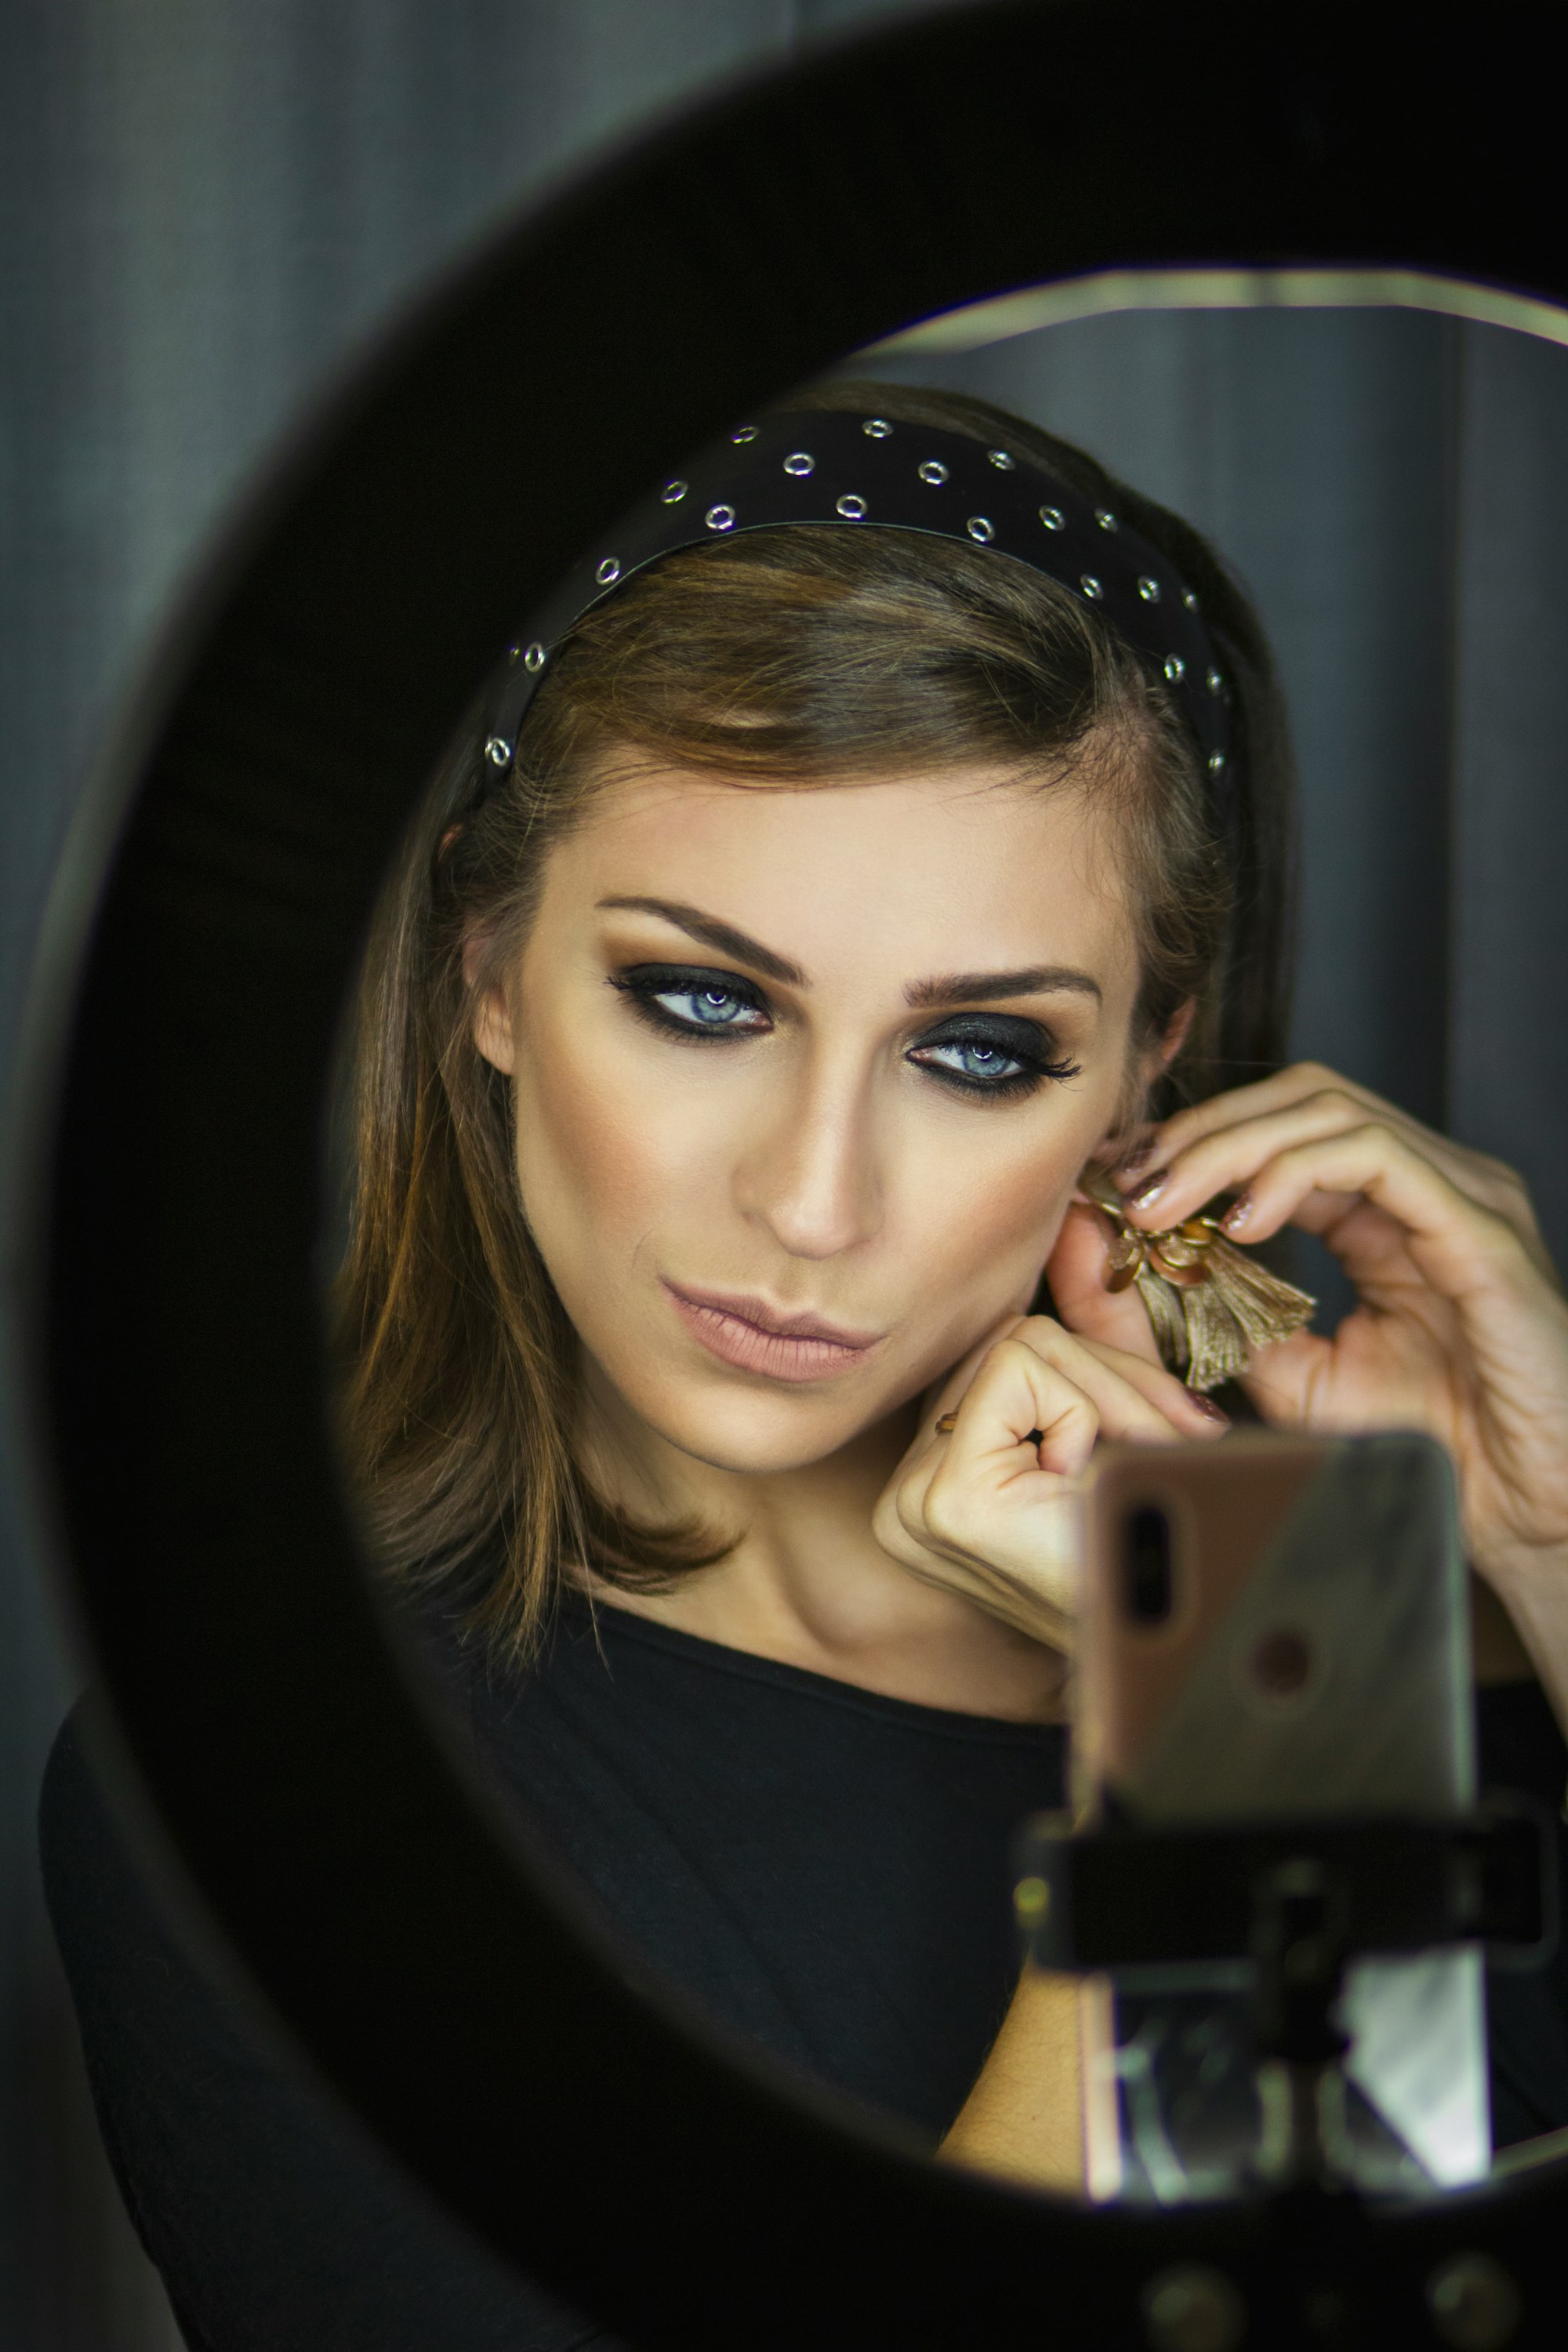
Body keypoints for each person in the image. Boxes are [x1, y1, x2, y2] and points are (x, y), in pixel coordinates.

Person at [41, 383, 1568, 2350]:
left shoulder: (1412, 1623)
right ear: (489, 973)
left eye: (979, 1051)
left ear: (1142, 1072)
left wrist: (1544, 1532)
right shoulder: (267, 1806)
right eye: (699, 998)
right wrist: (1215, 1776)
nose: (814, 1201)